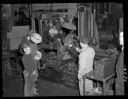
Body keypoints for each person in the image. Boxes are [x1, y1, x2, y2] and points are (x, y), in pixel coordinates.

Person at [20, 31, 42, 96]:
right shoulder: (27, 45)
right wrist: (32, 70)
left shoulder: (34, 44)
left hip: (33, 66)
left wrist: (38, 54)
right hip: (29, 69)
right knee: (27, 83)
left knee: (32, 80)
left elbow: (35, 51)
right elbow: (27, 64)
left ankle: (32, 91)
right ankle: (27, 94)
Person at [115, 31, 124, 95]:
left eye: (122, 36)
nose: (119, 38)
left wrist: (119, 84)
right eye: (120, 36)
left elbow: (121, 72)